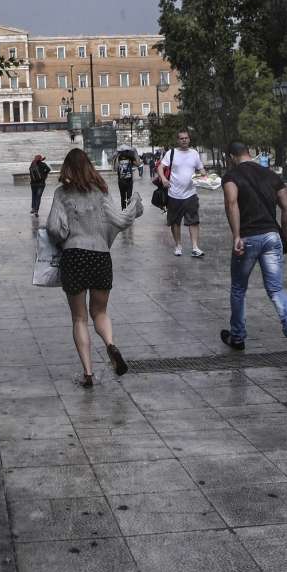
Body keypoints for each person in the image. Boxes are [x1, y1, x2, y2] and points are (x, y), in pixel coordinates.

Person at [45, 148, 143, 387]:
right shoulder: (102, 192)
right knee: (100, 312)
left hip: (75, 256)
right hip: (100, 256)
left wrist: (66, 234)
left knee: (79, 318)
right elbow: (117, 221)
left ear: (67, 168)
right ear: (89, 166)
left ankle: (88, 373)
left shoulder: (62, 194)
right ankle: (110, 344)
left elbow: (54, 229)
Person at [220, 141, 287, 361]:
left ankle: (238, 337)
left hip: (248, 238)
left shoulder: (232, 176)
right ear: (249, 153)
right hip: (271, 237)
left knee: (239, 289)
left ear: (232, 156)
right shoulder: (271, 175)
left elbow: (232, 204)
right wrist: (283, 237)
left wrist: (237, 236)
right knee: (276, 290)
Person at [158, 130, 205, 257]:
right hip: (174, 194)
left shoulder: (194, 153)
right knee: (175, 222)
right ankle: (178, 245)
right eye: (181, 138)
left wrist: (204, 174)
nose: (184, 140)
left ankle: (195, 247)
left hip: (191, 193)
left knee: (194, 221)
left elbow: (200, 168)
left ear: (189, 139)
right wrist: (163, 179)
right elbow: (160, 167)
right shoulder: (171, 153)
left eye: (186, 138)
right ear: (178, 140)